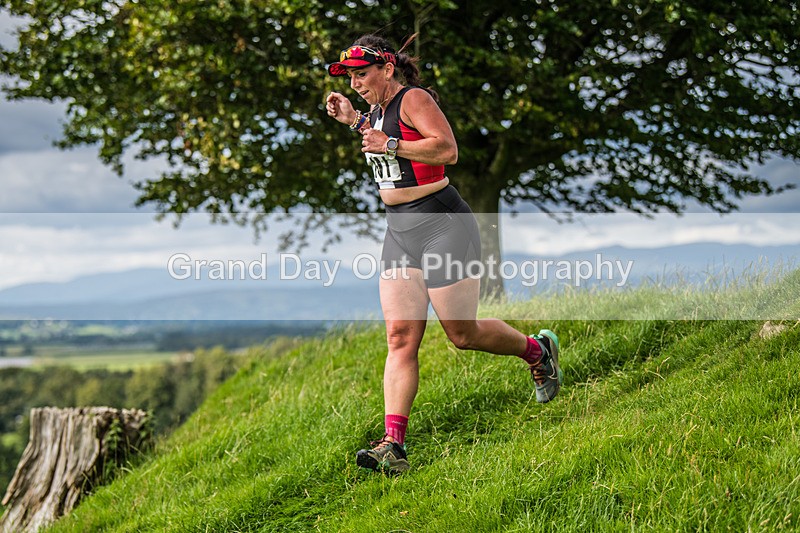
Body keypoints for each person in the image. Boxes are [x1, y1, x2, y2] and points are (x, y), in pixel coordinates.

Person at [325, 34, 563, 475]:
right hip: (399, 232)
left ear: (387, 69)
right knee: (400, 337)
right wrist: (355, 121)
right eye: (351, 77)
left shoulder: (413, 99)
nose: (355, 83)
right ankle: (392, 446)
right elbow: (383, 142)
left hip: (442, 224)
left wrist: (387, 143)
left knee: (462, 333)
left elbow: (447, 150)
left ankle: (536, 351)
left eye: (362, 74)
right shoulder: (375, 111)